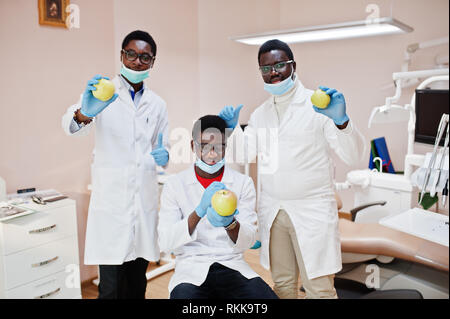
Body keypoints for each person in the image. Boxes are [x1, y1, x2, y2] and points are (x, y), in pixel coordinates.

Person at [219, 39, 366, 299]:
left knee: (319, 290)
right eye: (266, 68)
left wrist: (341, 121)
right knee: (283, 286)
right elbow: (244, 153)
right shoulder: (260, 114)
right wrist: (230, 131)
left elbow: (352, 155)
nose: (273, 72)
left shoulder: (319, 106)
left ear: (293, 66)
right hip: (274, 212)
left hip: (312, 212)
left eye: (279, 65)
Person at [61, 30, 169, 299]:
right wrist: (86, 112)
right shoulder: (102, 92)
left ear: (152, 62)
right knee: (109, 289)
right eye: (131, 54)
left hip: (142, 205)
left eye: (145, 57)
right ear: (122, 56)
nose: (137, 62)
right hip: (111, 209)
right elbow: (71, 127)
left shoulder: (158, 104)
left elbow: (161, 147)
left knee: (137, 286)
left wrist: (165, 156)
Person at [157, 115, 278, 299]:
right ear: (192, 146)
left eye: (218, 146)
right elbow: (166, 242)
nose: (211, 153)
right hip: (191, 267)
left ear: (225, 147)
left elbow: (247, 241)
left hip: (232, 264)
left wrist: (230, 223)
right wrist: (198, 212)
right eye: (204, 145)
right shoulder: (175, 184)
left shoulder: (242, 183)